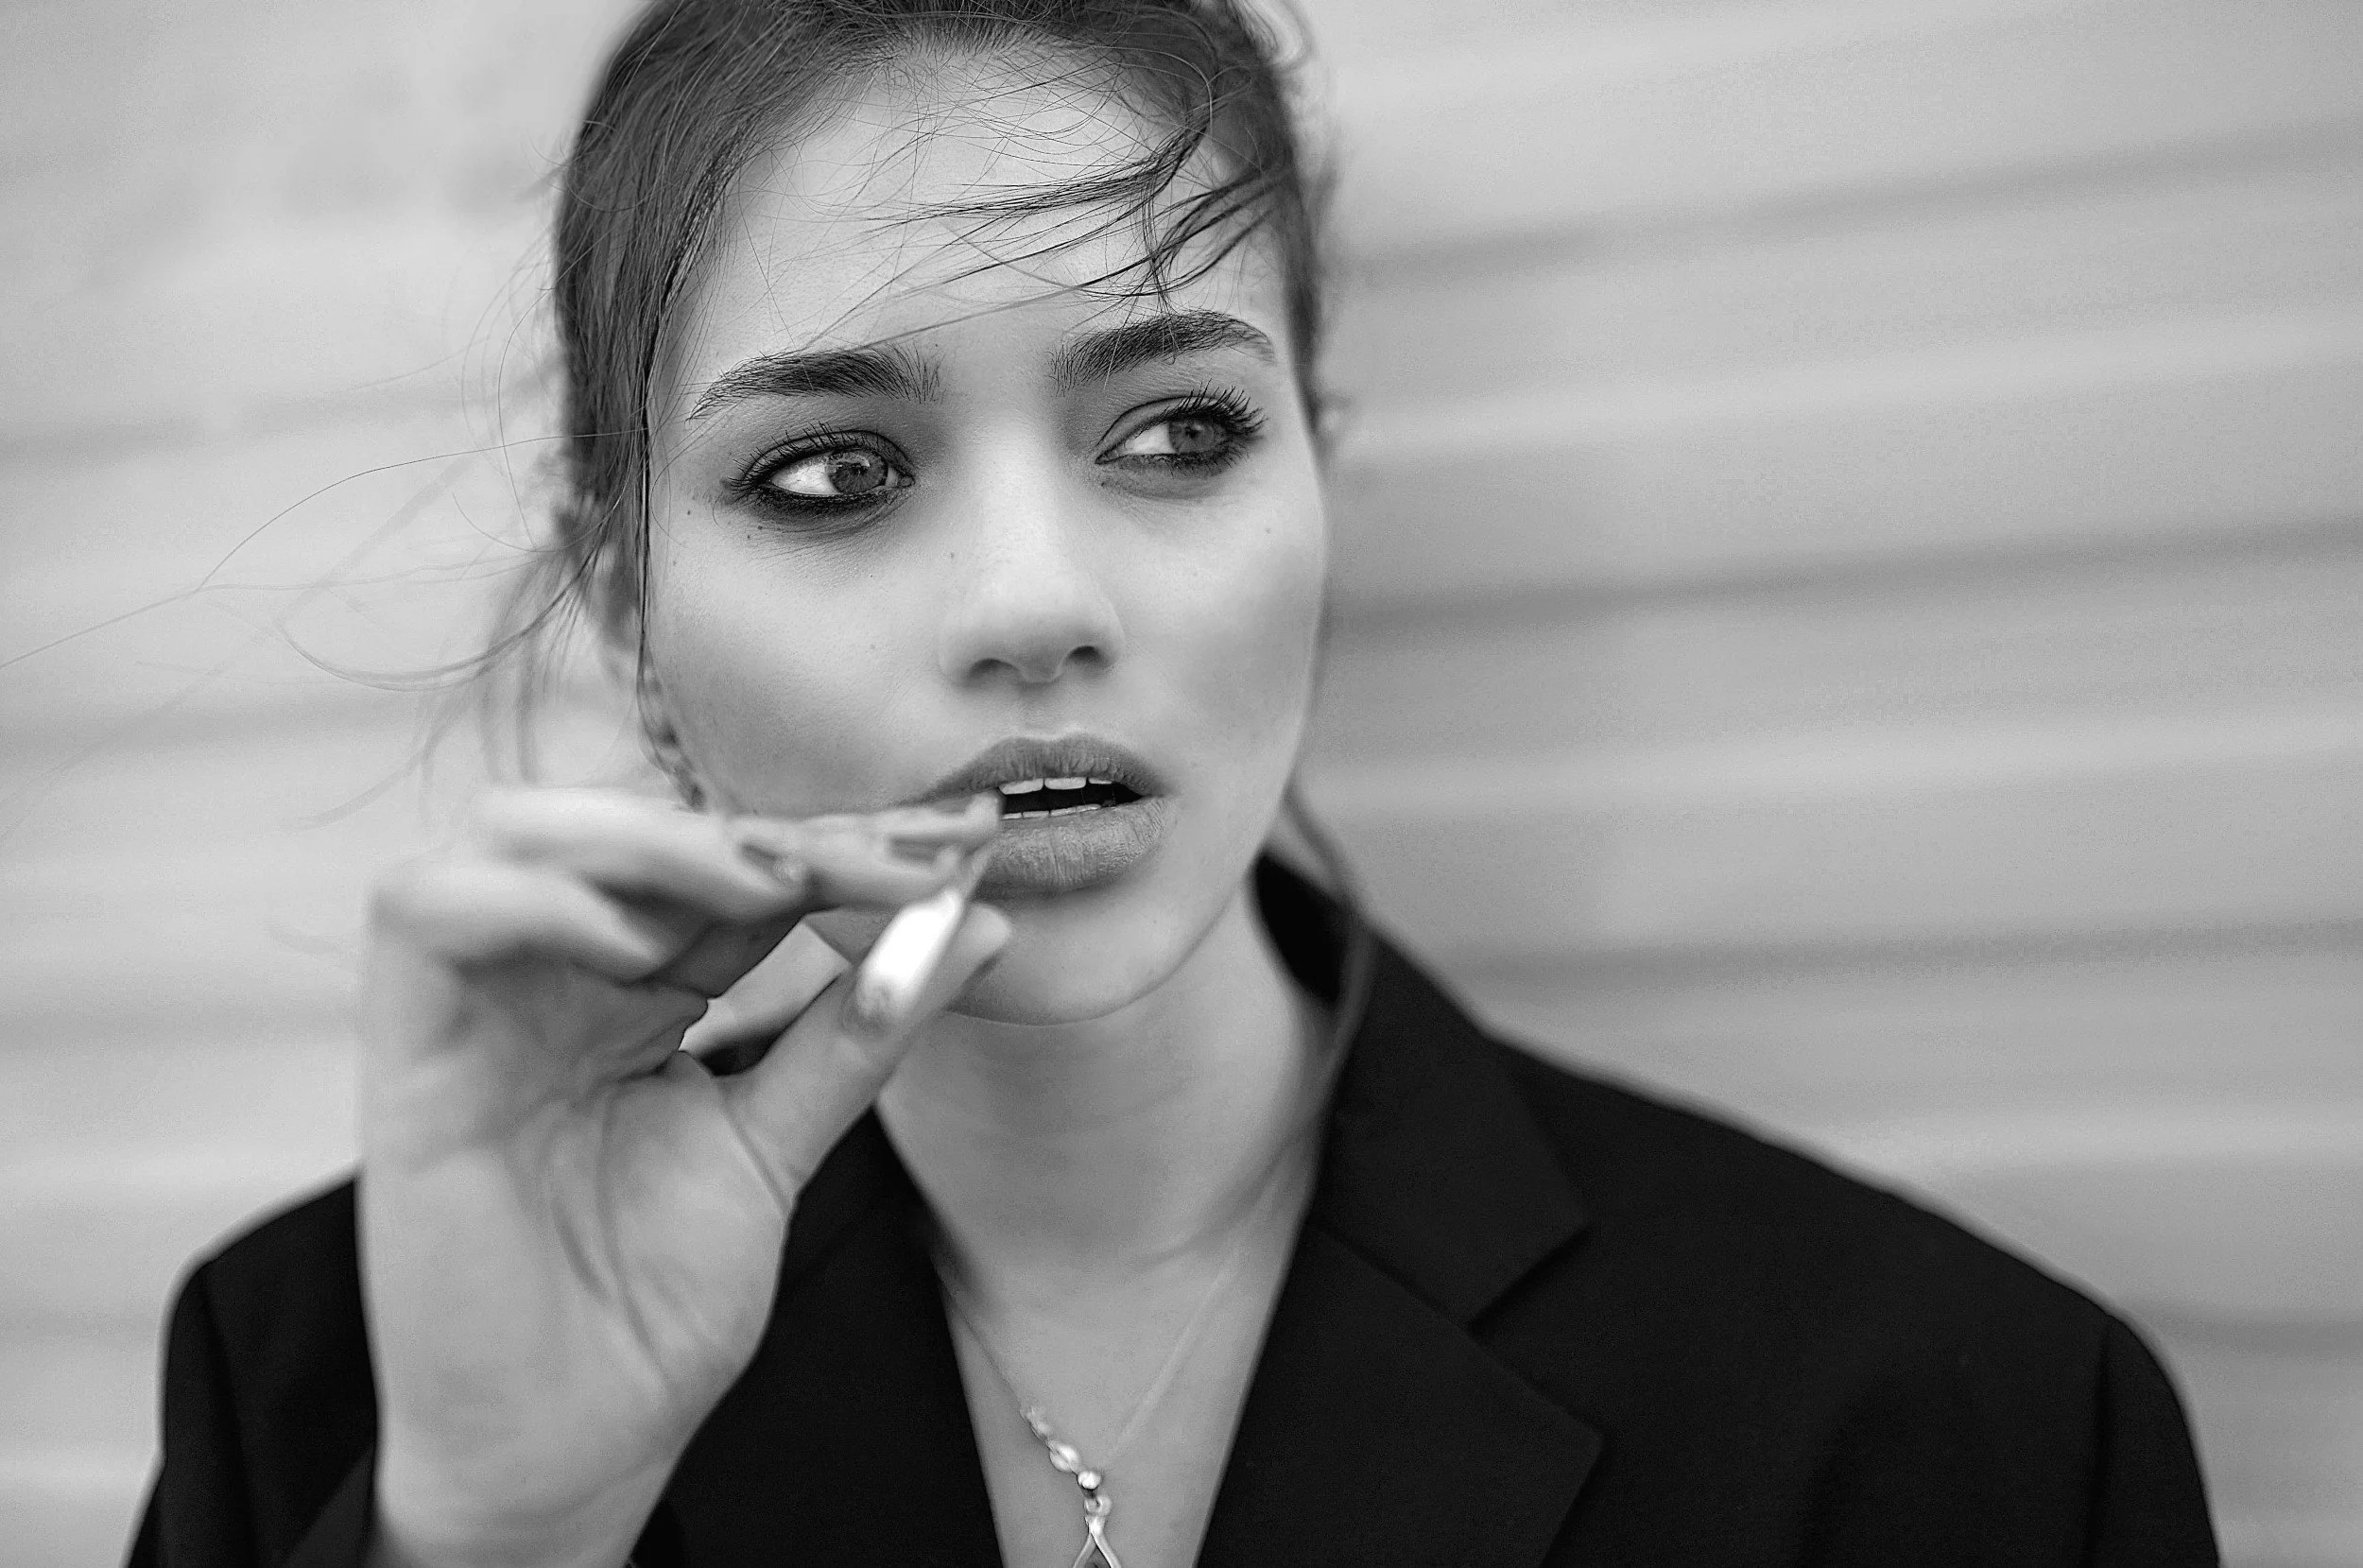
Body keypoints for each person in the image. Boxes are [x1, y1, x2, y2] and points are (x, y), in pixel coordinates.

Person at [129, 2, 2221, 1564]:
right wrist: (498, 1536)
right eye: (832, 474)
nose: (1035, 604)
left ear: (1326, 473)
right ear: (622, 600)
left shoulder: (1961, 1427)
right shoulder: (330, 1385)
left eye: (1174, 437)